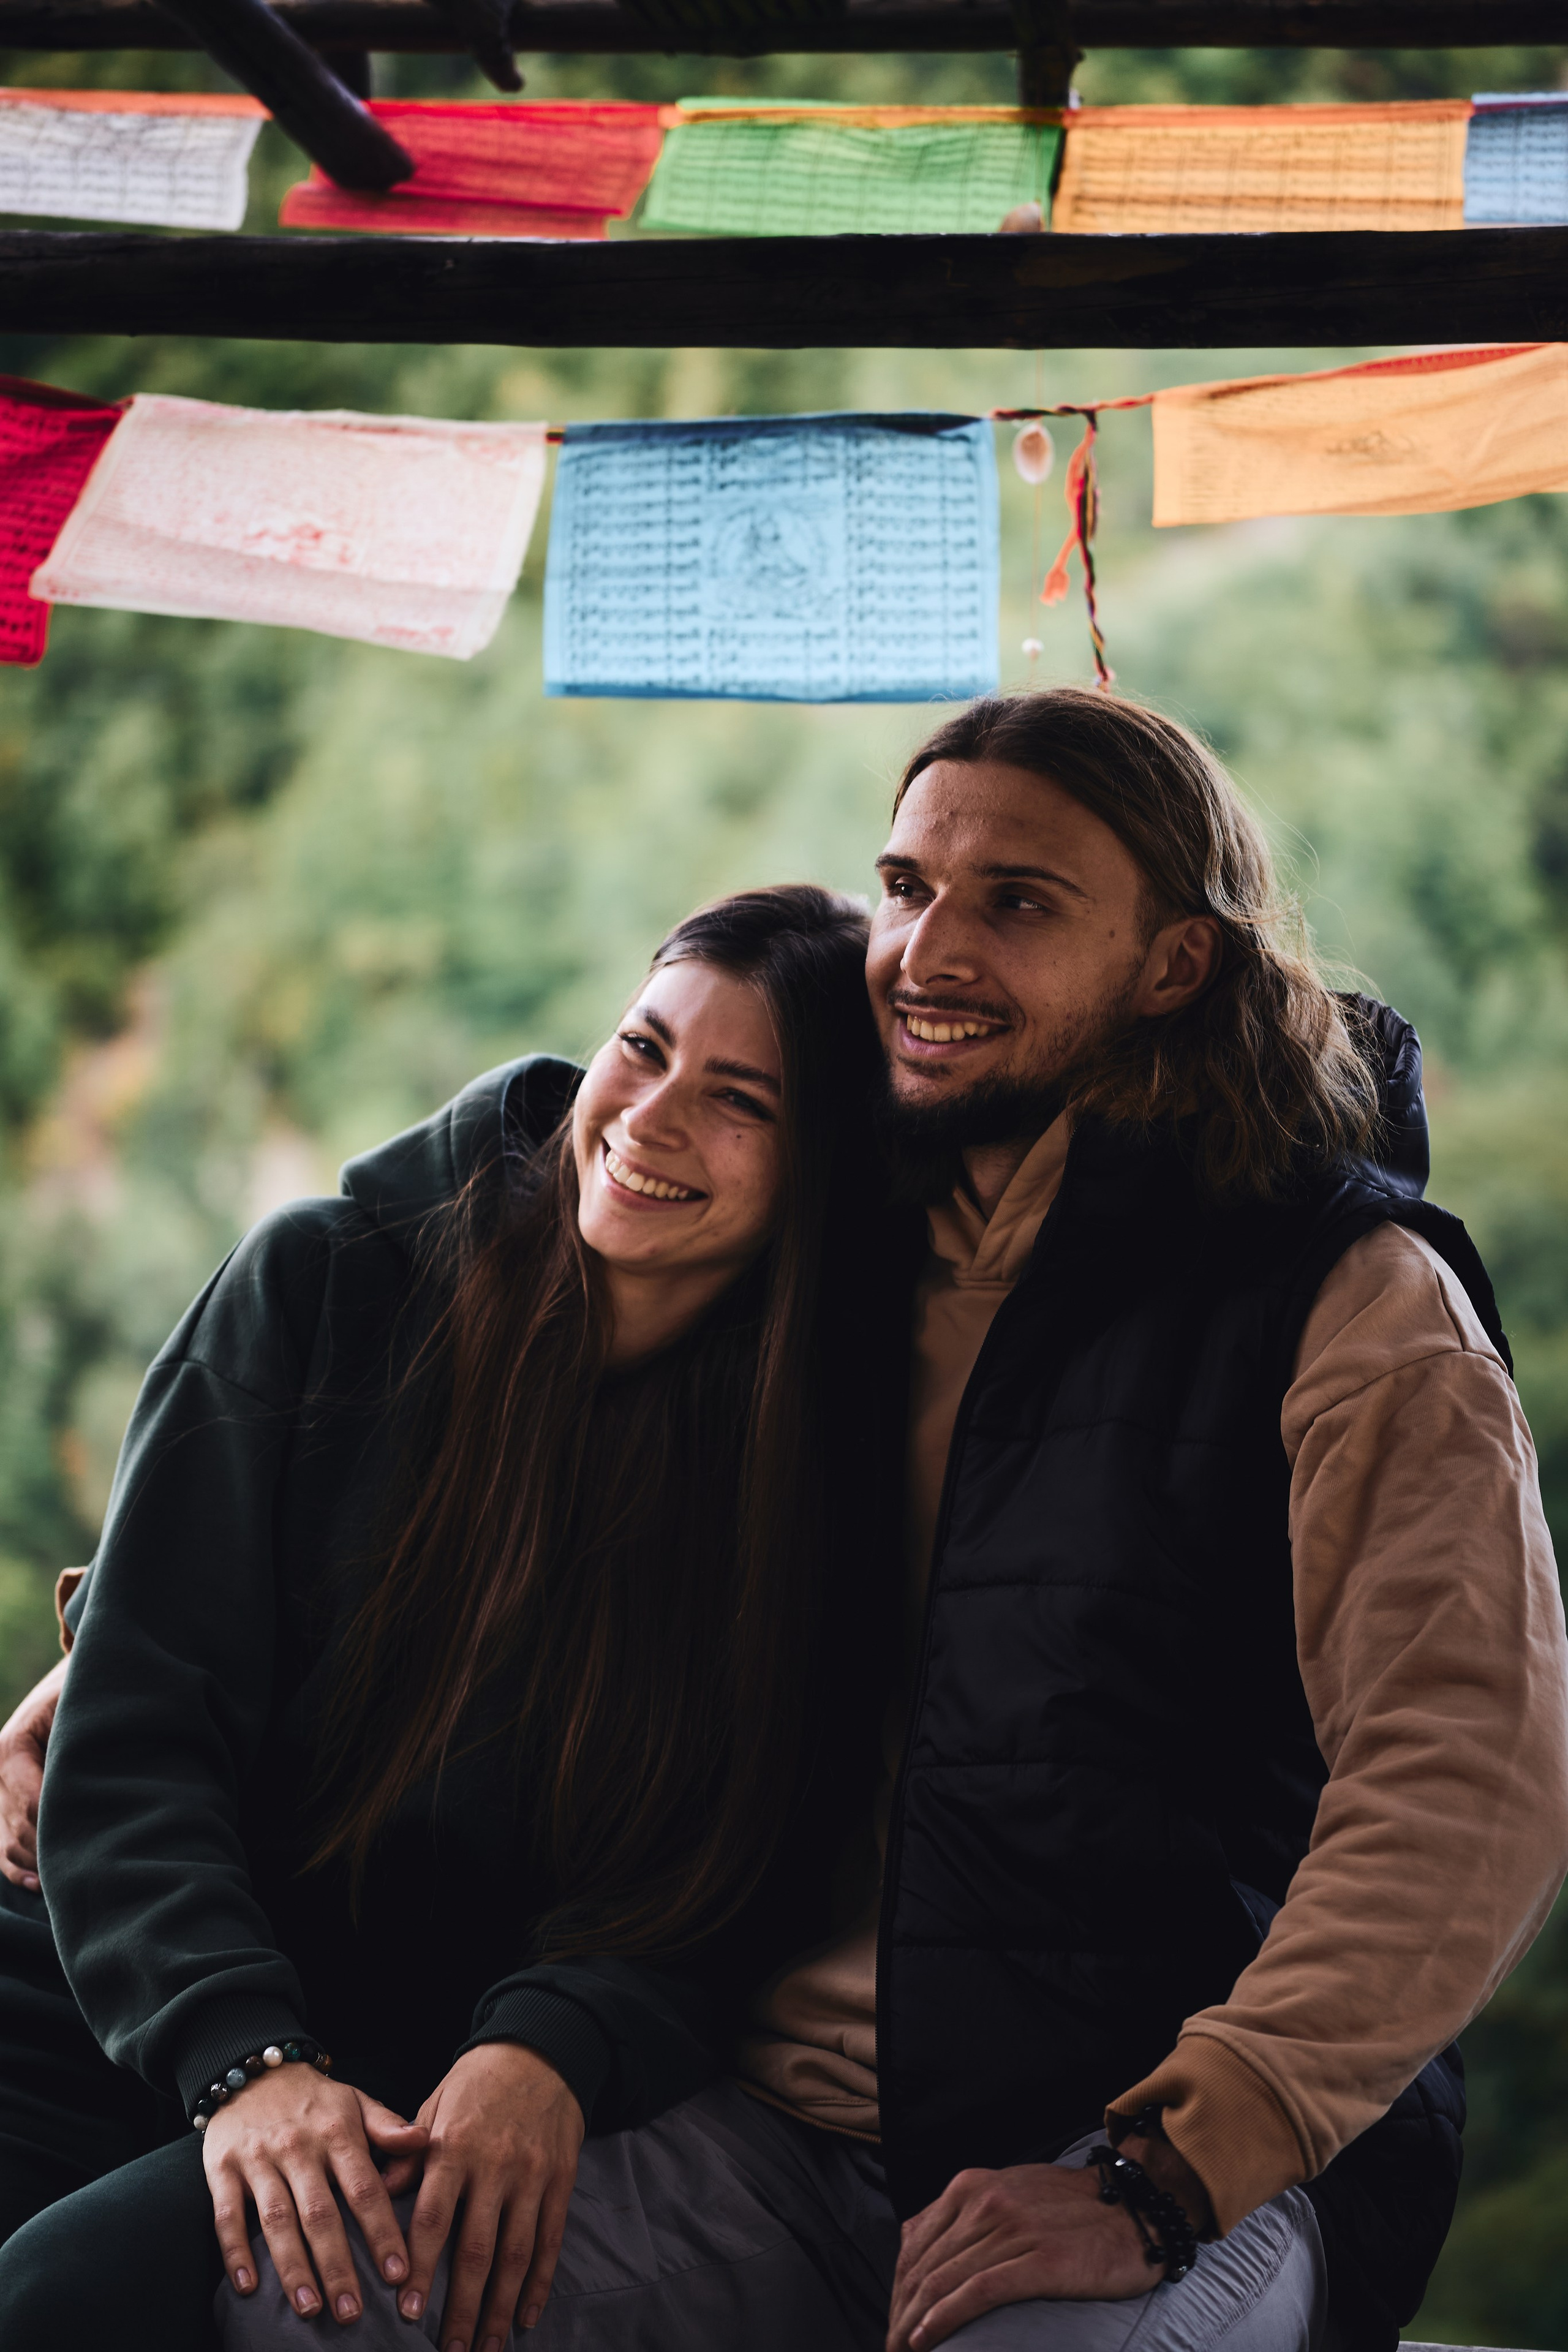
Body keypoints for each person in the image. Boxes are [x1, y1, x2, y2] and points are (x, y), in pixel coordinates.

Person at [6, 687, 1568, 2352]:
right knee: (296, 2315)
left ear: (1177, 963)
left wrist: (1176, 2166)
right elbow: (568, 1196)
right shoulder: (842, 1243)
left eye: (1018, 904)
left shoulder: (1344, 1300)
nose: (931, 950)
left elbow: (1465, 1772)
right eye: (906, 887)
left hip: (1153, 2152)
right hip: (764, 2122)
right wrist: (118, 1651)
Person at [0, 883, 897, 2352]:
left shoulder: (807, 1481)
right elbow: (140, 1724)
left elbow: (730, 1871)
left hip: (405, 2061)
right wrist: (244, 2058)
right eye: (643, 1047)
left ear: (828, 1165)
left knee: (59, 2304)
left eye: (741, 1101)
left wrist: (556, 2044)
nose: (652, 1118)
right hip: (129, 1970)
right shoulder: (322, 1282)